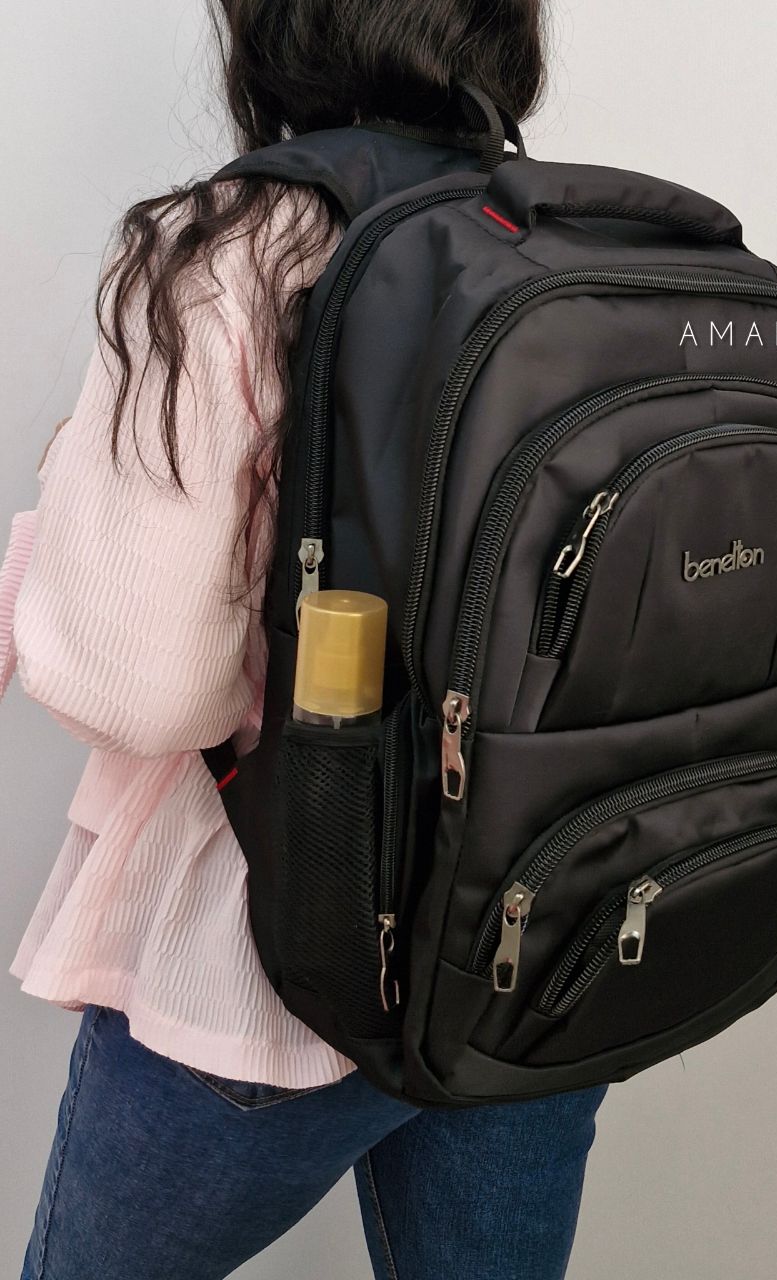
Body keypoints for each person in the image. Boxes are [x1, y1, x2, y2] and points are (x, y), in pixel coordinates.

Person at [0, 3, 609, 1277]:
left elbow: (138, 684)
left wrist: (39, 568)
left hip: (275, 965)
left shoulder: (230, 251)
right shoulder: (579, 238)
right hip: (539, 933)